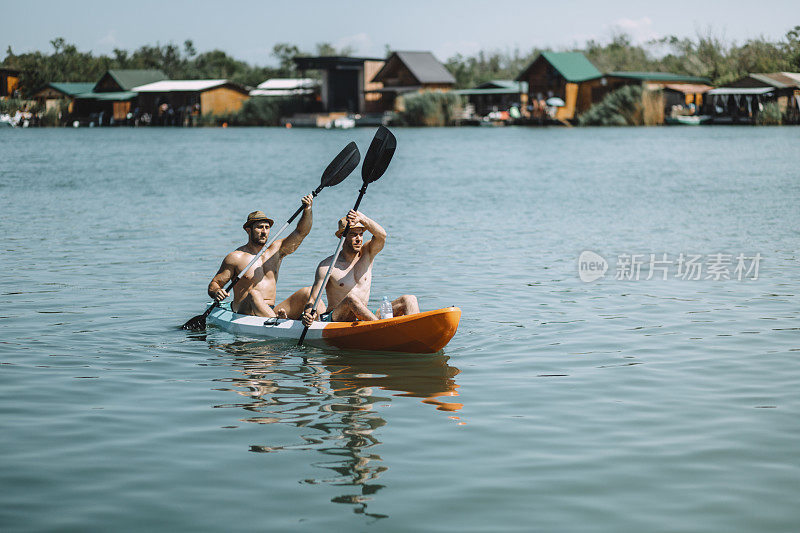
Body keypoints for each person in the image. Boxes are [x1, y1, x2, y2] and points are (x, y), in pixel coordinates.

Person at [301, 210, 419, 326]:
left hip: (365, 317)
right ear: (342, 236)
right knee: (351, 298)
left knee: (409, 299)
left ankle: (416, 333)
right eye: (353, 234)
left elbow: (382, 236)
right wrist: (308, 314)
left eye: (361, 234)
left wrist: (363, 218)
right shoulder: (327, 266)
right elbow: (312, 299)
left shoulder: (367, 253)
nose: (359, 239)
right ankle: (382, 329)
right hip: (337, 319)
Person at [207, 195, 317, 318]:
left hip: (270, 310)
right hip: (244, 311)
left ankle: (316, 323)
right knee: (254, 294)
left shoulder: (276, 250)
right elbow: (214, 284)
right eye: (260, 227)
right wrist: (217, 291)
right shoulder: (235, 257)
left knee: (308, 292)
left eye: (267, 227)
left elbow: (301, 232)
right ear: (248, 230)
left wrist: (307, 209)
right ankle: (277, 322)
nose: (264, 232)